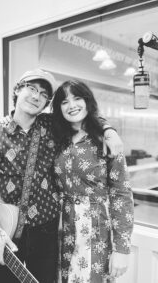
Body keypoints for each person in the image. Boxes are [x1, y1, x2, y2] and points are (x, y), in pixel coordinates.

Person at [0, 69, 124, 283]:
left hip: (47, 232)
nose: (36, 96)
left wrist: (108, 129)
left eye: (44, 94)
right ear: (18, 90)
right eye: (31, 88)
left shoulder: (52, 125)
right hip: (4, 229)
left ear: (47, 102)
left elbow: (82, 115)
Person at [51, 80, 134, 283]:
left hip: (96, 230)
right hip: (60, 229)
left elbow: (121, 195)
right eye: (64, 101)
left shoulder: (105, 140)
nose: (72, 106)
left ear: (87, 101)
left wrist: (122, 249)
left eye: (77, 98)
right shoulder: (56, 138)